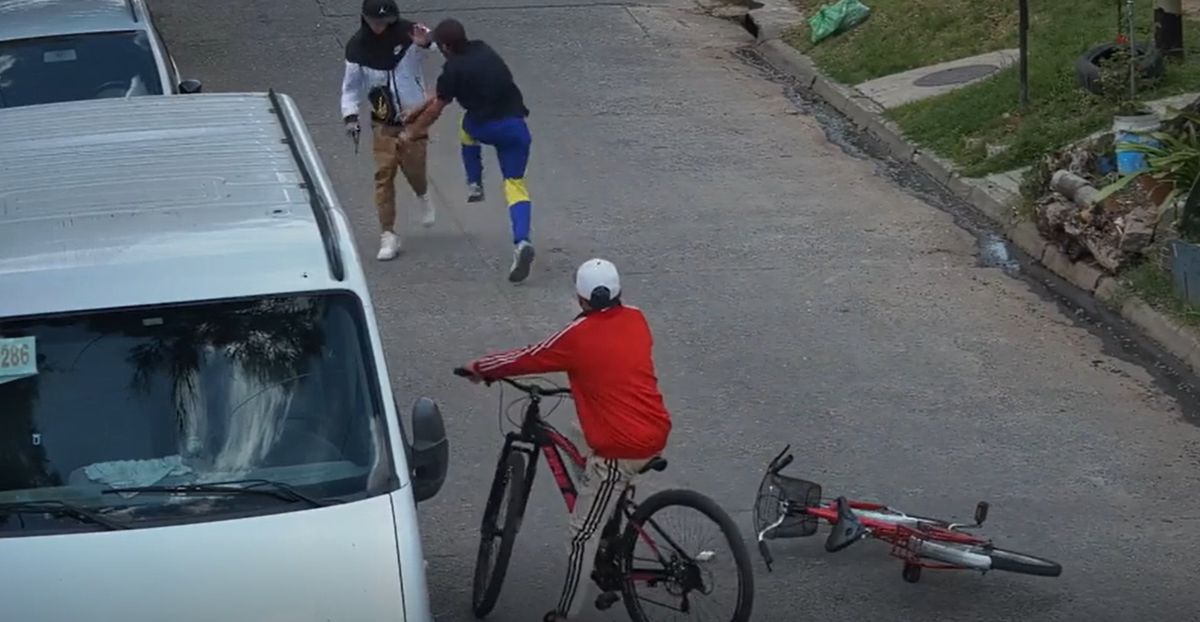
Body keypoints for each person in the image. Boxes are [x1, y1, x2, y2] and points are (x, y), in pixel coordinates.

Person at [458, 258, 673, 621]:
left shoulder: (577, 336)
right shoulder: (637, 318)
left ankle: (564, 614)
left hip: (621, 449)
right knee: (578, 431)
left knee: (580, 536)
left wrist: (481, 367)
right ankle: (611, 505)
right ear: (618, 291)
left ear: (581, 298)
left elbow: (530, 357)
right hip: (655, 428)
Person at [401, 18, 536, 283]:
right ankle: (522, 241)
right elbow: (442, 88)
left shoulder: (453, 70)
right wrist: (415, 109)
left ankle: (474, 183)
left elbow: (437, 106)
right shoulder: (483, 49)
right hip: (517, 129)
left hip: (485, 127)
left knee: (466, 128)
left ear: (446, 47)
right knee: (515, 186)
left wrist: (412, 132)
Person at [340, 0, 439, 261]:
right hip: (383, 120)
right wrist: (350, 116)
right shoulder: (357, 48)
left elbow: (437, 47)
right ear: (365, 18)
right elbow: (350, 88)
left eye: (386, 22)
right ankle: (388, 234)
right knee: (384, 175)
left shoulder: (410, 33)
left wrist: (425, 43)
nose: (380, 26)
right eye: (375, 21)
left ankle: (422, 193)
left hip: (414, 117)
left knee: (414, 168)